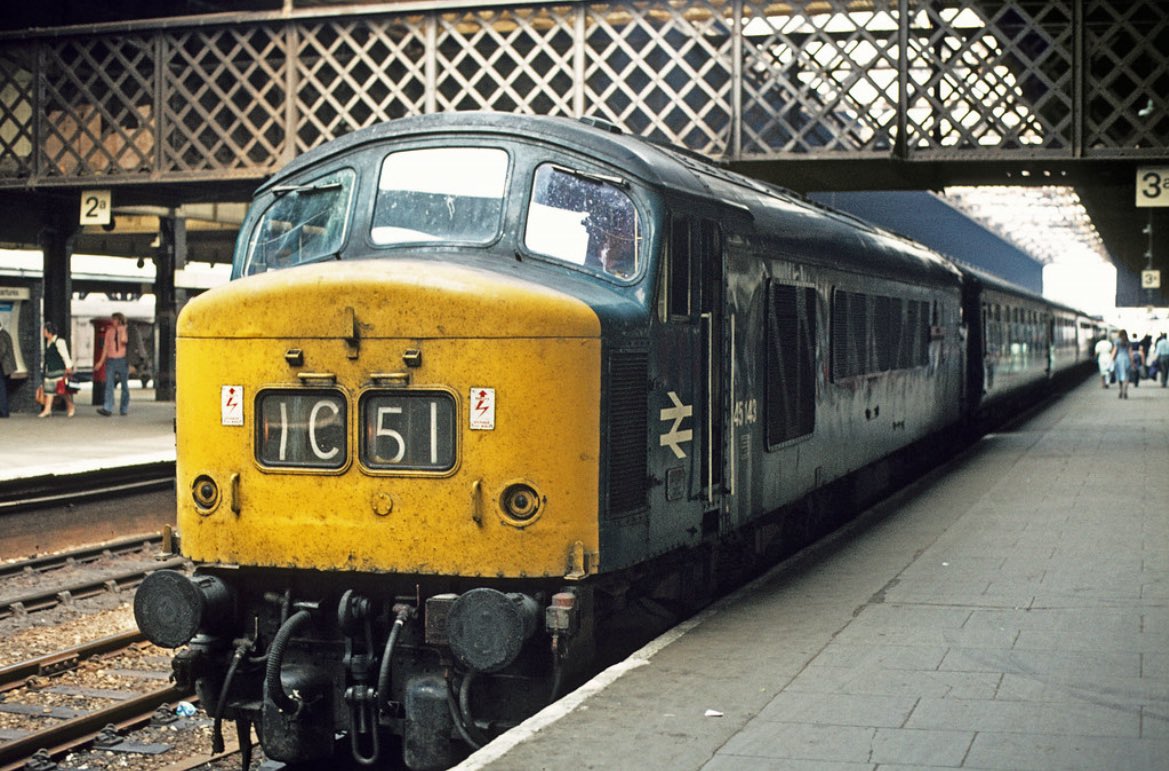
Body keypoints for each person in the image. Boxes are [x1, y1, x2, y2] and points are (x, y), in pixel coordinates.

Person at [95, 312, 130, 416]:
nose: (113, 321)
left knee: (125, 386)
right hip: (111, 360)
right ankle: (107, 408)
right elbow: (105, 347)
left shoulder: (125, 330)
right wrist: (100, 362)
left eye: (115, 319)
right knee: (109, 384)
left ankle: (124, 408)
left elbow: (124, 341)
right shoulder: (109, 332)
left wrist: (122, 330)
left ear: (119, 320)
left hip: (122, 360)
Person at [39, 321, 74, 418]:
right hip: (49, 371)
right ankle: (47, 410)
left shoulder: (59, 341)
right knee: (49, 391)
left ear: (49, 332)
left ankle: (70, 406)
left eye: (44, 330)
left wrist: (68, 367)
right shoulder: (48, 342)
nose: (43, 332)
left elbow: (65, 355)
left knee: (62, 392)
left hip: (59, 371)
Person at [0, 319, 15, 418]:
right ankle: (3, 411)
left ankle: (3, 412)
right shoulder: (5, 334)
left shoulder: (2, 335)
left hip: (3, 366)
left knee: (1, 389)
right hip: (5, 367)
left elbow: (1, 350)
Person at [1111, 329, 1132, 400]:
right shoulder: (1128, 342)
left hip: (1119, 359)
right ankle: (1125, 391)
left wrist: (1111, 360)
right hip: (1126, 359)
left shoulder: (1117, 341)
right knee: (1126, 376)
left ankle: (1120, 390)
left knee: (1119, 376)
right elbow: (1130, 353)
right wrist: (1132, 362)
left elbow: (1114, 351)